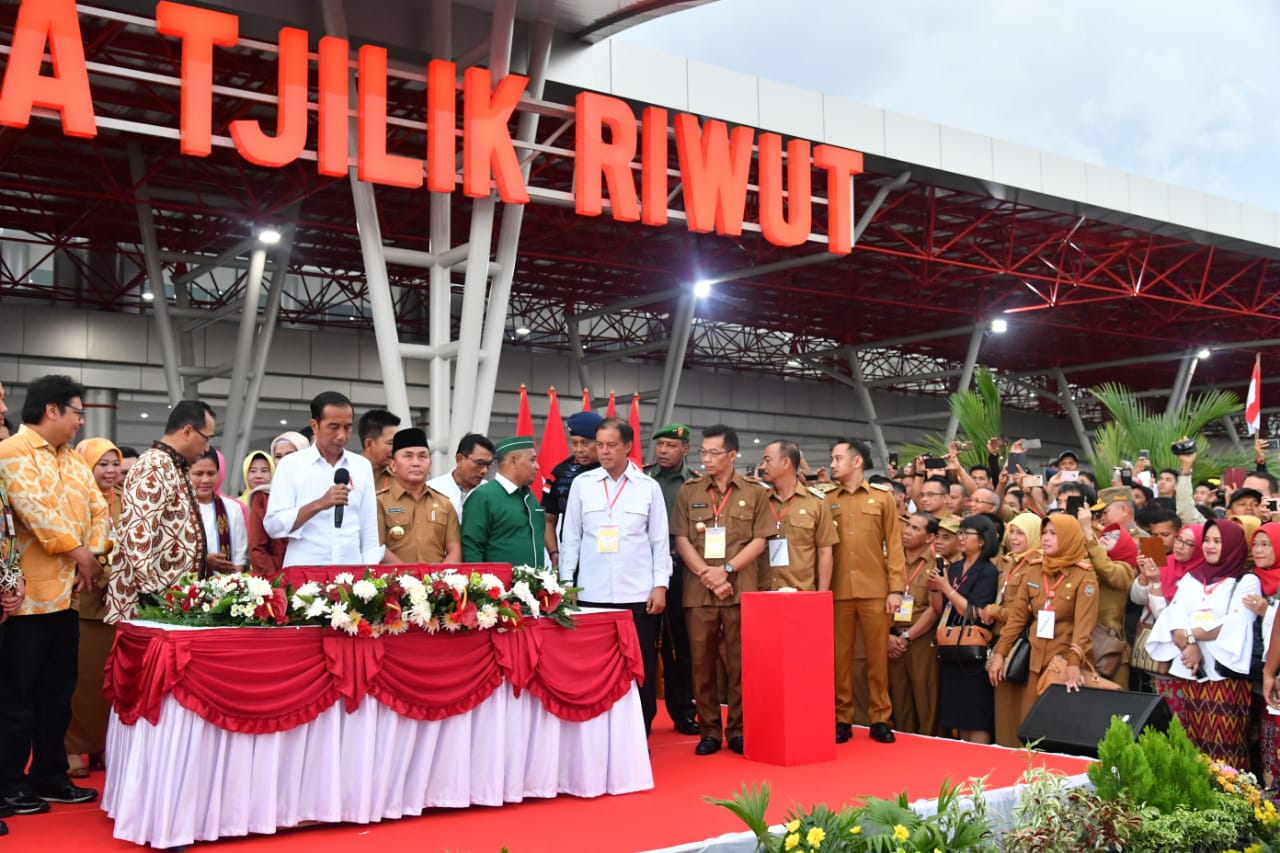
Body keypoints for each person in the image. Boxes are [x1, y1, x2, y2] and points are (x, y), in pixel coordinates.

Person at [0, 375, 110, 811]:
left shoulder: (72, 461)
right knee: (16, 700)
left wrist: (93, 554)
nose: (80, 422)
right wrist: (80, 553)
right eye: (77, 412)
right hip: (25, 601)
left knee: (57, 695)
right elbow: (35, 514)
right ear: (52, 411)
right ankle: (9, 783)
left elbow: (99, 509)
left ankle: (50, 776)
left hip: (67, 596)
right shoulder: (11, 453)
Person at [559, 418, 670, 735]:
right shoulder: (583, 484)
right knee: (595, 669)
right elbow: (571, 539)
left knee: (641, 667)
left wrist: (660, 585)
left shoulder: (648, 488)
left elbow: (659, 542)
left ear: (627, 447)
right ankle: (597, 733)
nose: (603, 451)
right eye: (600, 444)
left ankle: (639, 733)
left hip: (636, 596)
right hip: (592, 595)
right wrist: (568, 586)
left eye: (610, 445)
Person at [672, 424, 770, 755]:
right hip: (700, 593)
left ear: (732, 455)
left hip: (740, 590)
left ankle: (739, 728)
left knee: (741, 664)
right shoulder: (690, 491)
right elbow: (682, 539)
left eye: (714, 453)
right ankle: (710, 729)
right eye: (703, 452)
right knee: (702, 663)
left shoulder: (755, 492)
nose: (707, 458)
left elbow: (759, 540)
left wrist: (726, 570)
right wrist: (707, 574)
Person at [1146, 519, 1257, 766]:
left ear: (1232, 546)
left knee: (1225, 747)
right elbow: (1173, 614)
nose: (1210, 546)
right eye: (1207, 540)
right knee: (1194, 746)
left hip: (1225, 677)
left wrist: (1192, 637)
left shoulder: (1246, 581)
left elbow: (1235, 622)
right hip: (1192, 673)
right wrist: (1189, 646)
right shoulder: (1192, 578)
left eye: (1218, 541)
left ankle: (1232, 801)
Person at [105, 401, 218, 622]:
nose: (207, 448)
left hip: (170, 605)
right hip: (153, 608)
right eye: (207, 438)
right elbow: (136, 536)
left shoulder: (174, 466)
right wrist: (152, 596)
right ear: (187, 430)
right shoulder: (154, 465)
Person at [989, 514, 1101, 731]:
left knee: (1059, 727)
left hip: (1062, 662)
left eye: (1054, 534)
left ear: (1069, 538)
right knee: (1030, 726)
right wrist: (1000, 653)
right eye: (1044, 533)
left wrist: (1074, 663)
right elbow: (1017, 618)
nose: (1047, 539)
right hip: (1034, 660)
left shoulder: (1084, 575)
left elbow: (1083, 627)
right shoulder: (1035, 568)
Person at [830, 438, 905, 745]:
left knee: (877, 657)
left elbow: (895, 545)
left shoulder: (882, 498)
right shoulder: (827, 499)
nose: (833, 464)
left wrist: (896, 588)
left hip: (876, 589)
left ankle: (880, 718)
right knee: (840, 659)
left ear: (857, 461)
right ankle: (841, 718)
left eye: (838, 458)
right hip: (838, 590)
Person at [265, 392, 386, 568]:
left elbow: (369, 532)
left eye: (348, 427)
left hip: (350, 575)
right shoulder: (291, 465)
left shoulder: (362, 466)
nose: (342, 436)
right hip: (304, 574)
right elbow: (273, 525)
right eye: (333, 427)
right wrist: (319, 504)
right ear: (315, 426)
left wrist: (368, 576)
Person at [65, 438, 121, 779]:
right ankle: (72, 747)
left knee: (109, 681)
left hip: (119, 605)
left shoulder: (125, 502)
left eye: (115, 463)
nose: (112, 470)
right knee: (81, 679)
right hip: (85, 599)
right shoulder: (76, 500)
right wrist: (103, 575)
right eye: (103, 464)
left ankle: (100, 745)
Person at [644, 423, 701, 735]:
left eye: (670, 445)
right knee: (645, 643)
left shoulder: (695, 484)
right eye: (660, 444)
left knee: (680, 643)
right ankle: (644, 715)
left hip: (681, 570)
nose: (663, 451)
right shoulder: (642, 478)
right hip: (643, 571)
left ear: (686, 449)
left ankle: (683, 711)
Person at [930, 514, 998, 743]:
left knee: (976, 713)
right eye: (959, 533)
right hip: (951, 645)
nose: (960, 538)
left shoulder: (988, 571)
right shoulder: (955, 567)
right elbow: (941, 610)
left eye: (966, 534)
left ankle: (980, 765)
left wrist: (946, 588)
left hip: (974, 647)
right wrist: (935, 588)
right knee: (958, 714)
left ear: (982, 540)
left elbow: (975, 612)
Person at [981, 512, 1041, 747]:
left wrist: (995, 612)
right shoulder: (1010, 562)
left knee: (1021, 710)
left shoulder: (1036, 566)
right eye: (1012, 532)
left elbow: (1024, 613)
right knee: (1003, 710)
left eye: (1021, 533)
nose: (1014, 538)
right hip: (1002, 640)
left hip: (1021, 644)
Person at [757, 440, 837, 592]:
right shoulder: (760, 501)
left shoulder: (815, 502)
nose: (763, 467)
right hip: (765, 592)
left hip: (802, 593)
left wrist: (821, 595)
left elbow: (825, 551)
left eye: (767, 460)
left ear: (786, 462)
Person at [888, 512, 941, 735]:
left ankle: (928, 744)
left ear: (930, 538)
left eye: (916, 529)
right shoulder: (891, 559)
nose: (907, 531)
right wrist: (887, 636)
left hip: (920, 638)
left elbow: (934, 609)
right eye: (907, 526)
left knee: (925, 696)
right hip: (890, 640)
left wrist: (907, 637)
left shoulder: (936, 563)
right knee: (899, 697)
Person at [376, 428, 461, 564]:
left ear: (430, 464)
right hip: (394, 582)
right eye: (408, 456)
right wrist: (410, 579)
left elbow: (455, 548)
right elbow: (377, 547)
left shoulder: (444, 504)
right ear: (393, 465)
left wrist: (440, 578)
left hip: (438, 582)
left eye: (422, 456)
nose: (416, 463)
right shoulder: (379, 502)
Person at [460, 436, 545, 567]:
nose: (537, 466)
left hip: (535, 584)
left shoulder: (529, 497)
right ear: (514, 461)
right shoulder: (483, 496)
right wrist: (481, 584)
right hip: (499, 585)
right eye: (532, 460)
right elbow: (471, 548)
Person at [543, 411, 602, 571]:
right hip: (572, 560)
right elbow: (548, 519)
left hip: (608, 557)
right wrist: (554, 554)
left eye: (585, 443)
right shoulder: (560, 472)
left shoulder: (614, 470)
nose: (579, 449)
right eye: (574, 443)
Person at [190, 449, 248, 573]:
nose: (205, 480)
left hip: (225, 588)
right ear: (187, 474)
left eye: (211, 474)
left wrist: (230, 584)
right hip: (184, 589)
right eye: (199, 474)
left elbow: (240, 556)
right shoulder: (178, 508)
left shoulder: (233, 508)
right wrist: (203, 561)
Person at [427, 433, 496, 522]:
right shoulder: (432, 490)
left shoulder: (491, 493)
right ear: (459, 460)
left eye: (488, 465)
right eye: (479, 463)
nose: (484, 470)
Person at [358, 409, 401, 491]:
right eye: (390, 443)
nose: (396, 448)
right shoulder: (348, 473)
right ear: (369, 444)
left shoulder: (401, 477)